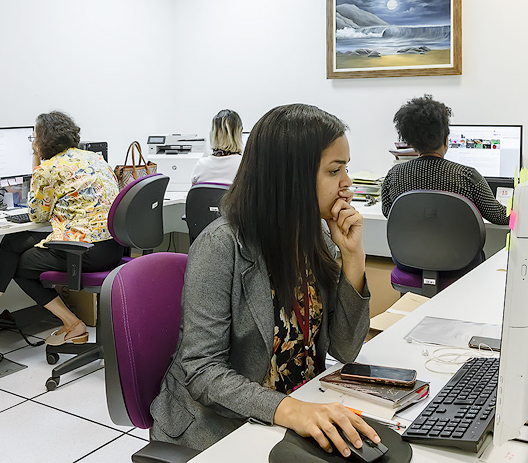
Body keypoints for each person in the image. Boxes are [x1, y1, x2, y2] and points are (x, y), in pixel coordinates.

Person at [150, 103, 379, 458]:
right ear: (290, 177)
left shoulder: (314, 236)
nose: (347, 183)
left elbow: (345, 349)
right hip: (223, 424)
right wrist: (292, 410)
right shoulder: (221, 246)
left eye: (345, 168)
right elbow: (202, 371)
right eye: (335, 170)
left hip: (296, 408)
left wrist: (353, 257)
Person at [0, 111, 121, 350]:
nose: (32, 143)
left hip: (85, 251)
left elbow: (37, 215)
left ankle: (71, 323)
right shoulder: (95, 158)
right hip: (112, 247)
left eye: (34, 138)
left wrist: (37, 163)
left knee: (18, 264)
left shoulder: (48, 168)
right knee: (12, 242)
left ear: (42, 141)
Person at [381, 94, 509, 226]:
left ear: (411, 143)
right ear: (446, 139)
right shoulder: (468, 177)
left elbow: (388, 212)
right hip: (459, 240)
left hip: (411, 240)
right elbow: (500, 217)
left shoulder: (394, 175)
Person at [190, 109, 243, 185]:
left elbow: (194, 191)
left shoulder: (201, 165)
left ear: (214, 134)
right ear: (238, 133)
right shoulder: (244, 165)